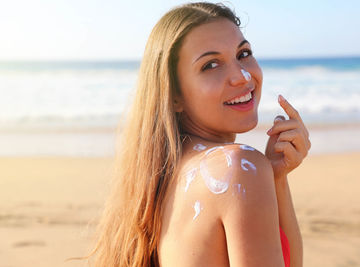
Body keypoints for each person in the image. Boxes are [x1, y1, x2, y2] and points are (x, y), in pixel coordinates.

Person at [89, 2, 311, 267]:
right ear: (174, 96)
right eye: (211, 65)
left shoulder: (160, 175)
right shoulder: (239, 168)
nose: (242, 76)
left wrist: (277, 177)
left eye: (243, 53)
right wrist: (259, 171)